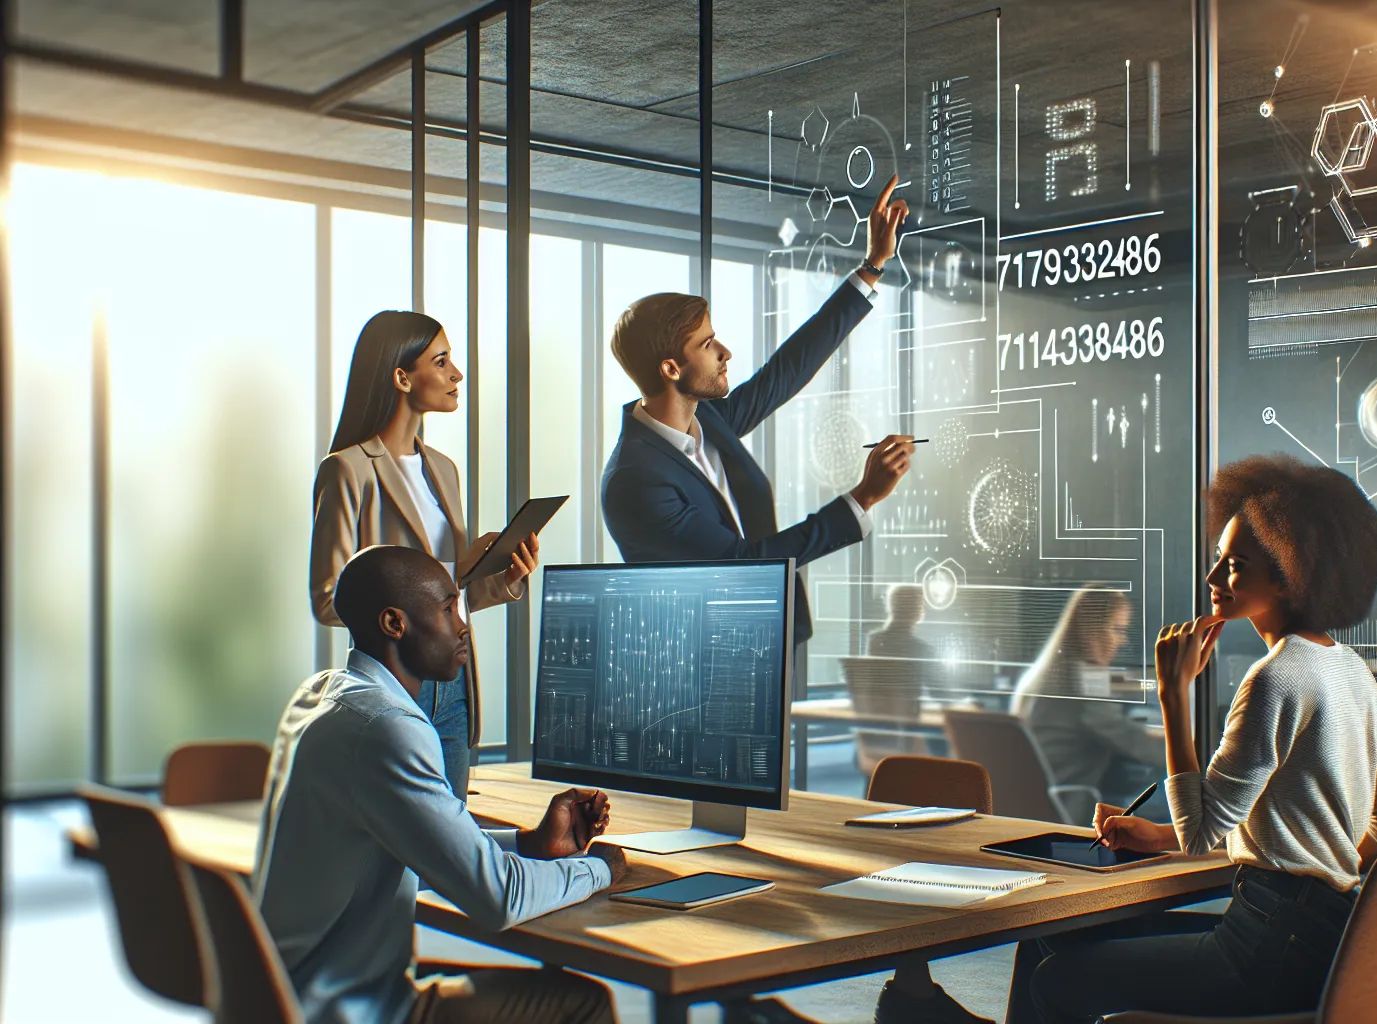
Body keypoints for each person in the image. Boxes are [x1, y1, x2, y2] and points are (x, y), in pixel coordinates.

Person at [1005, 454, 1377, 1024]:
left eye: (1235, 565)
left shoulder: (1275, 678)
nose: (1213, 577)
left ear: (1289, 574)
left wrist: (1174, 694)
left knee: (1058, 979)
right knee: (1048, 938)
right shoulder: (1351, 670)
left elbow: (1199, 835)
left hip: (1264, 951)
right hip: (1321, 945)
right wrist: (1161, 837)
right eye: (1219, 558)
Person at [256, 545, 626, 1024]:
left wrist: (531, 843)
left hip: (281, 993)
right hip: (344, 1010)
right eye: (449, 609)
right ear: (395, 623)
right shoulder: (388, 727)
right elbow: (499, 898)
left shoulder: (322, 694)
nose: (463, 625)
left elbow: (413, 842)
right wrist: (599, 868)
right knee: (583, 1003)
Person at [600, 175, 914, 646]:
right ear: (671, 368)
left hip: (770, 641)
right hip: (712, 665)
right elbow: (743, 565)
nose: (724, 352)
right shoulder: (636, 480)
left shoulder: (707, 421)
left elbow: (785, 372)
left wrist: (872, 266)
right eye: (707, 344)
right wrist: (862, 497)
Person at [311, 310, 539, 799]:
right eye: (441, 361)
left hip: (455, 685)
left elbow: (450, 599)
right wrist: (453, 570)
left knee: (452, 833)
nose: (457, 374)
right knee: (396, 838)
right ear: (401, 378)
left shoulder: (443, 469)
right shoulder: (348, 470)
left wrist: (502, 576)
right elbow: (330, 599)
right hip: (394, 687)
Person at [1010, 588, 1163, 819]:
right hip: (1069, 810)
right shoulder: (1089, 681)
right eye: (1117, 629)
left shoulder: (1040, 675)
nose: (1123, 640)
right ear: (1093, 632)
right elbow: (1135, 742)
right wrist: (1195, 748)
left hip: (1028, 806)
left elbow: (1124, 688)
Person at [868, 583, 937, 662]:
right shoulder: (923, 650)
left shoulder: (875, 639)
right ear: (915, 609)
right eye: (921, 604)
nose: (923, 609)